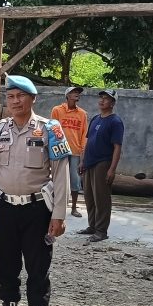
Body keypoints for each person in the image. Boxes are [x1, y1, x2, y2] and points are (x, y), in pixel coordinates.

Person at [0, 75, 68, 306]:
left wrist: (59, 215)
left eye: (21, 96)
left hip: (37, 209)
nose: (15, 101)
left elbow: (61, 175)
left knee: (38, 267)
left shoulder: (50, 129)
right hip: (6, 208)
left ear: (33, 98)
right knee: (5, 263)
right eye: (11, 96)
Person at [78, 89, 124, 243]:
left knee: (101, 198)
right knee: (89, 197)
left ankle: (101, 231)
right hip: (89, 162)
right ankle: (92, 226)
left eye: (106, 98)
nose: (102, 100)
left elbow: (117, 147)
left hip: (103, 163)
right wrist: (82, 160)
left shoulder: (115, 122)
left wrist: (112, 169)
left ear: (112, 103)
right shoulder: (95, 119)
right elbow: (87, 141)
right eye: (101, 98)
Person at [51, 85, 87, 218]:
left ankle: (73, 208)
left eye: (78, 92)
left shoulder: (82, 114)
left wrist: (82, 154)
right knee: (57, 179)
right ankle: (55, 206)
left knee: (75, 180)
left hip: (75, 151)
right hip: (60, 150)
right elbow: (52, 129)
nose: (77, 94)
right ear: (67, 96)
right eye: (74, 92)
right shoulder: (57, 110)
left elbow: (84, 134)